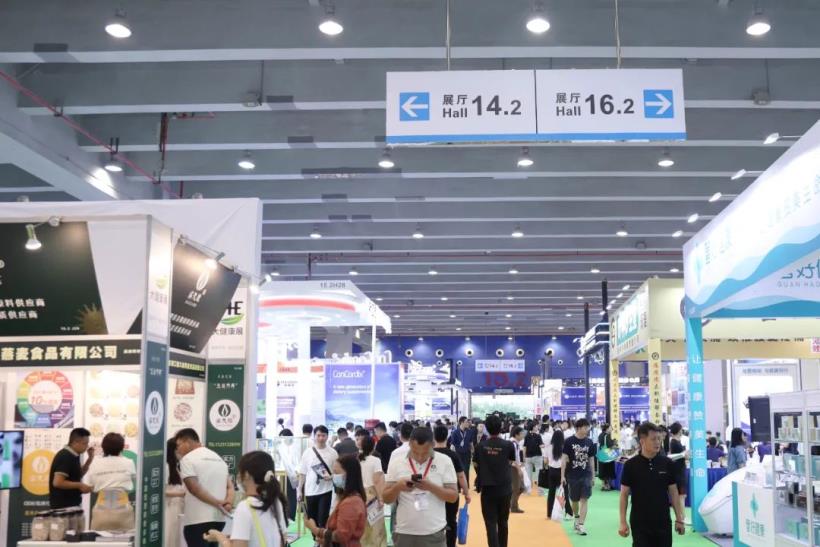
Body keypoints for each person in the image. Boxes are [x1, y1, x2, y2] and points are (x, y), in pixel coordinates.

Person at [384, 427, 458, 547]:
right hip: (404, 532)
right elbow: (386, 499)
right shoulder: (396, 462)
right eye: (415, 452)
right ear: (409, 444)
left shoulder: (445, 461)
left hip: (434, 532)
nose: (419, 457)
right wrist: (398, 487)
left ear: (433, 445)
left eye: (424, 453)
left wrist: (431, 487)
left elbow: (453, 497)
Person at [618, 422, 686, 547]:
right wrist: (623, 521)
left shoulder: (667, 463)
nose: (658, 442)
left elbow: (673, 492)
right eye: (653, 439)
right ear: (642, 441)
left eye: (659, 439)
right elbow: (624, 495)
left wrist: (679, 519)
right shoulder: (630, 465)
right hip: (639, 522)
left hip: (663, 521)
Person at [205, 451, 289, 547]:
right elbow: (281, 540)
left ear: (247, 474)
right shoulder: (275, 503)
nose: (238, 476)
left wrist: (219, 536)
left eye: (240, 472)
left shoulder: (245, 507)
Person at [175, 428, 233, 547]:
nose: (178, 450)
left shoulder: (188, 459)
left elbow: (194, 488)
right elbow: (230, 487)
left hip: (197, 520)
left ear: (187, 442)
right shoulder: (218, 458)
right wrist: (228, 503)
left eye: (178, 445)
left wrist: (217, 503)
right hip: (219, 519)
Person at [305, 454, 367, 547]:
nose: (333, 476)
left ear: (349, 474)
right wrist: (325, 540)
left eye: (336, 472)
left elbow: (341, 536)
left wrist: (315, 529)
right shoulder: (348, 498)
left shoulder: (351, 502)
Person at [474, 415, 515, 547]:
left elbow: (475, 464)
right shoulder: (508, 445)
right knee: (503, 522)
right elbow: (510, 462)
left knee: (490, 523)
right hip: (505, 488)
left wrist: (483, 473)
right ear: (501, 427)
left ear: (486, 427)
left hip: (487, 488)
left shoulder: (480, 446)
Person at [83, 433, 136, 531]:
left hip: (101, 509)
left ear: (103, 447)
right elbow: (132, 480)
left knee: (99, 538)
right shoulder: (129, 462)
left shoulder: (95, 463)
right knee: (126, 539)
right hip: (123, 509)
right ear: (122, 447)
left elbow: (91, 485)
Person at [434, 425, 471, 547]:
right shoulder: (453, 455)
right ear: (447, 437)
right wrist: (466, 493)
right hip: (451, 493)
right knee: (451, 520)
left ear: (433, 437)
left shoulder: (430, 455)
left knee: (433, 521)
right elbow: (461, 476)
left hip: (433, 493)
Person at [298, 425, 339, 530]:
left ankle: (322, 538)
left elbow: (338, 471)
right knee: (312, 519)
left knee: (323, 519)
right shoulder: (307, 452)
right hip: (310, 490)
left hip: (326, 490)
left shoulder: (333, 453)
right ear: (314, 436)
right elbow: (303, 472)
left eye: (323, 435)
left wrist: (331, 477)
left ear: (327, 436)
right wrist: (299, 490)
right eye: (318, 435)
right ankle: (315, 538)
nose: (321, 438)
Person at [561, 418, 596, 536]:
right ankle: (576, 517)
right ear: (579, 428)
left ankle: (581, 524)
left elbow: (591, 460)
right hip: (572, 475)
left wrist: (593, 476)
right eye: (585, 427)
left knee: (584, 499)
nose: (587, 429)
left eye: (588, 427)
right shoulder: (569, 441)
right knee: (574, 500)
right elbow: (563, 459)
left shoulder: (590, 442)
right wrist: (562, 476)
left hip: (586, 474)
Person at [49, 427, 94, 509]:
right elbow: (58, 482)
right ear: (75, 442)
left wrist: (90, 459)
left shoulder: (74, 455)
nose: (87, 446)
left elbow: (79, 475)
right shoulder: (65, 456)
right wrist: (80, 485)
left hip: (71, 505)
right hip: (63, 507)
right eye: (85, 443)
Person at [357, 434, 387, 547]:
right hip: (372, 494)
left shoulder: (356, 459)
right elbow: (377, 481)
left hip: (358, 495)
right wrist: (381, 498)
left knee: (361, 525)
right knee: (376, 525)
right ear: (373, 446)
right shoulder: (375, 460)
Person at [166, 438, 186, 547]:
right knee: (170, 535)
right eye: (178, 447)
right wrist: (181, 494)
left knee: (176, 537)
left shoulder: (177, 467)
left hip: (178, 506)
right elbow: (161, 491)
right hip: (170, 507)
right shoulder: (166, 467)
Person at [545, 429, 566, 520]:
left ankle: (549, 514)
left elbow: (545, 461)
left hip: (552, 471)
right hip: (562, 471)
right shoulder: (564, 447)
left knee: (551, 493)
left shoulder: (549, 447)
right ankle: (566, 512)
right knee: (564, 492)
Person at [448, 417, 475, 487]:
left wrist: (473, 453)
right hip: (458, 454)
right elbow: (452, 445)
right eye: (466, 422)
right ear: (461, 422)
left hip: (467, 453)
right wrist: (451, 455)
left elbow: (471, 443)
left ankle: (466, 485)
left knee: (466, 469)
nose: (468, 423)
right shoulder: (455, 432)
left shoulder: (469, 432)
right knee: (458, 470)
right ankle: (459, 486)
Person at [668, 422, 688, 512]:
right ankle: (682, 516)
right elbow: (673, 456)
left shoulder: (676, 441)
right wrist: (683, 454)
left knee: (682, 495)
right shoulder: (674, 442)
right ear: (679, 430)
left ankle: (681, 515)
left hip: (680, 469)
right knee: (681, 495)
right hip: (678, 471)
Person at [509, 426, 526, 513]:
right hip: (514, 468)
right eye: (522, 434)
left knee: (521, 487)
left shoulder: (515, 443)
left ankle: (512, 504)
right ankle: (513, 507)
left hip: (515, 466)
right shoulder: (513, 443)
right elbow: (513, 459)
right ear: (516, 435)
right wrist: (519, 469)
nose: (523, 435)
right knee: (516, 488)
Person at [523, 424, 544, 488]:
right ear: (533, 427)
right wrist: (544, 445)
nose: (537, 427)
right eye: (535, 426)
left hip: (528, 457)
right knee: (538, 473)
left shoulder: (526, 436)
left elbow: (524, 447)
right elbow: (541, 445)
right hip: (537, 456)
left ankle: (529, 489)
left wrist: (524, 457)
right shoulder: (538, 436)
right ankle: (538, 488)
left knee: (528, 474)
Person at [597, 423, 617, 491]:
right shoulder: (607, 436)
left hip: (601, 454)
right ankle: (607, 486)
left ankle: (604, 485)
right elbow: (610, 446)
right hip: (607, 455)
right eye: (610, 428)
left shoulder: (600, 435)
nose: (612, 429)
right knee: (608, 470)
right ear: (607, 428)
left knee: (603, 470)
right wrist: (614, 444)